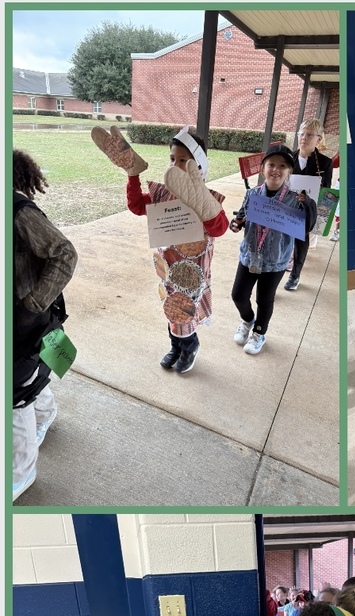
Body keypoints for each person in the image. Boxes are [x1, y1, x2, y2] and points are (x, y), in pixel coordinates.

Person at [93, 125, 229, 374]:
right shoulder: (163, 194)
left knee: (186, 310)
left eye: (183, 161)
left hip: (194, 272)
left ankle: (190, 347)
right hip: (169, 266)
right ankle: (176, 346)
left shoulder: (206, 197)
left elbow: (219, 228)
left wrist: (205, 206)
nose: (175, 165)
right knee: (171, 307)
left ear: (199, 164)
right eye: (172, 159)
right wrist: (132, 174)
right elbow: (137, 205)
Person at [12, 149, 78, 501]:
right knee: (29, 378)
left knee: (14, 395)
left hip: (25, 319)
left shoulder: (18, 211)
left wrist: (31, 307)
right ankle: (46, 413)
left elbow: (65, 253)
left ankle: (20, 474)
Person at [229, 142, 317, 356]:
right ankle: (247, 320)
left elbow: (306, 227)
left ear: (289, 171)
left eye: (282, 166)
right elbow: (242, 216)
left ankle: (259, 333)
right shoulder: (253, 194)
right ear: (263, 168)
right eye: (271, 164)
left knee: (264, 299)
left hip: (275, 259)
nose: (276, 170)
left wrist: (308, 204)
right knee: (238, 295)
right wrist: (236, 224)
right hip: (250, 255)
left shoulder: (295, 200)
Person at [285, 119, 334, 291]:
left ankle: (295, 275)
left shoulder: (325, 163)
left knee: (301, 241)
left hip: (307, 211)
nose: (304, 138)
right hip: (287, 208)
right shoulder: (288, 159)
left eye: (309, 135)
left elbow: (326, 190)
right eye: (302, 134)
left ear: (318, 139)